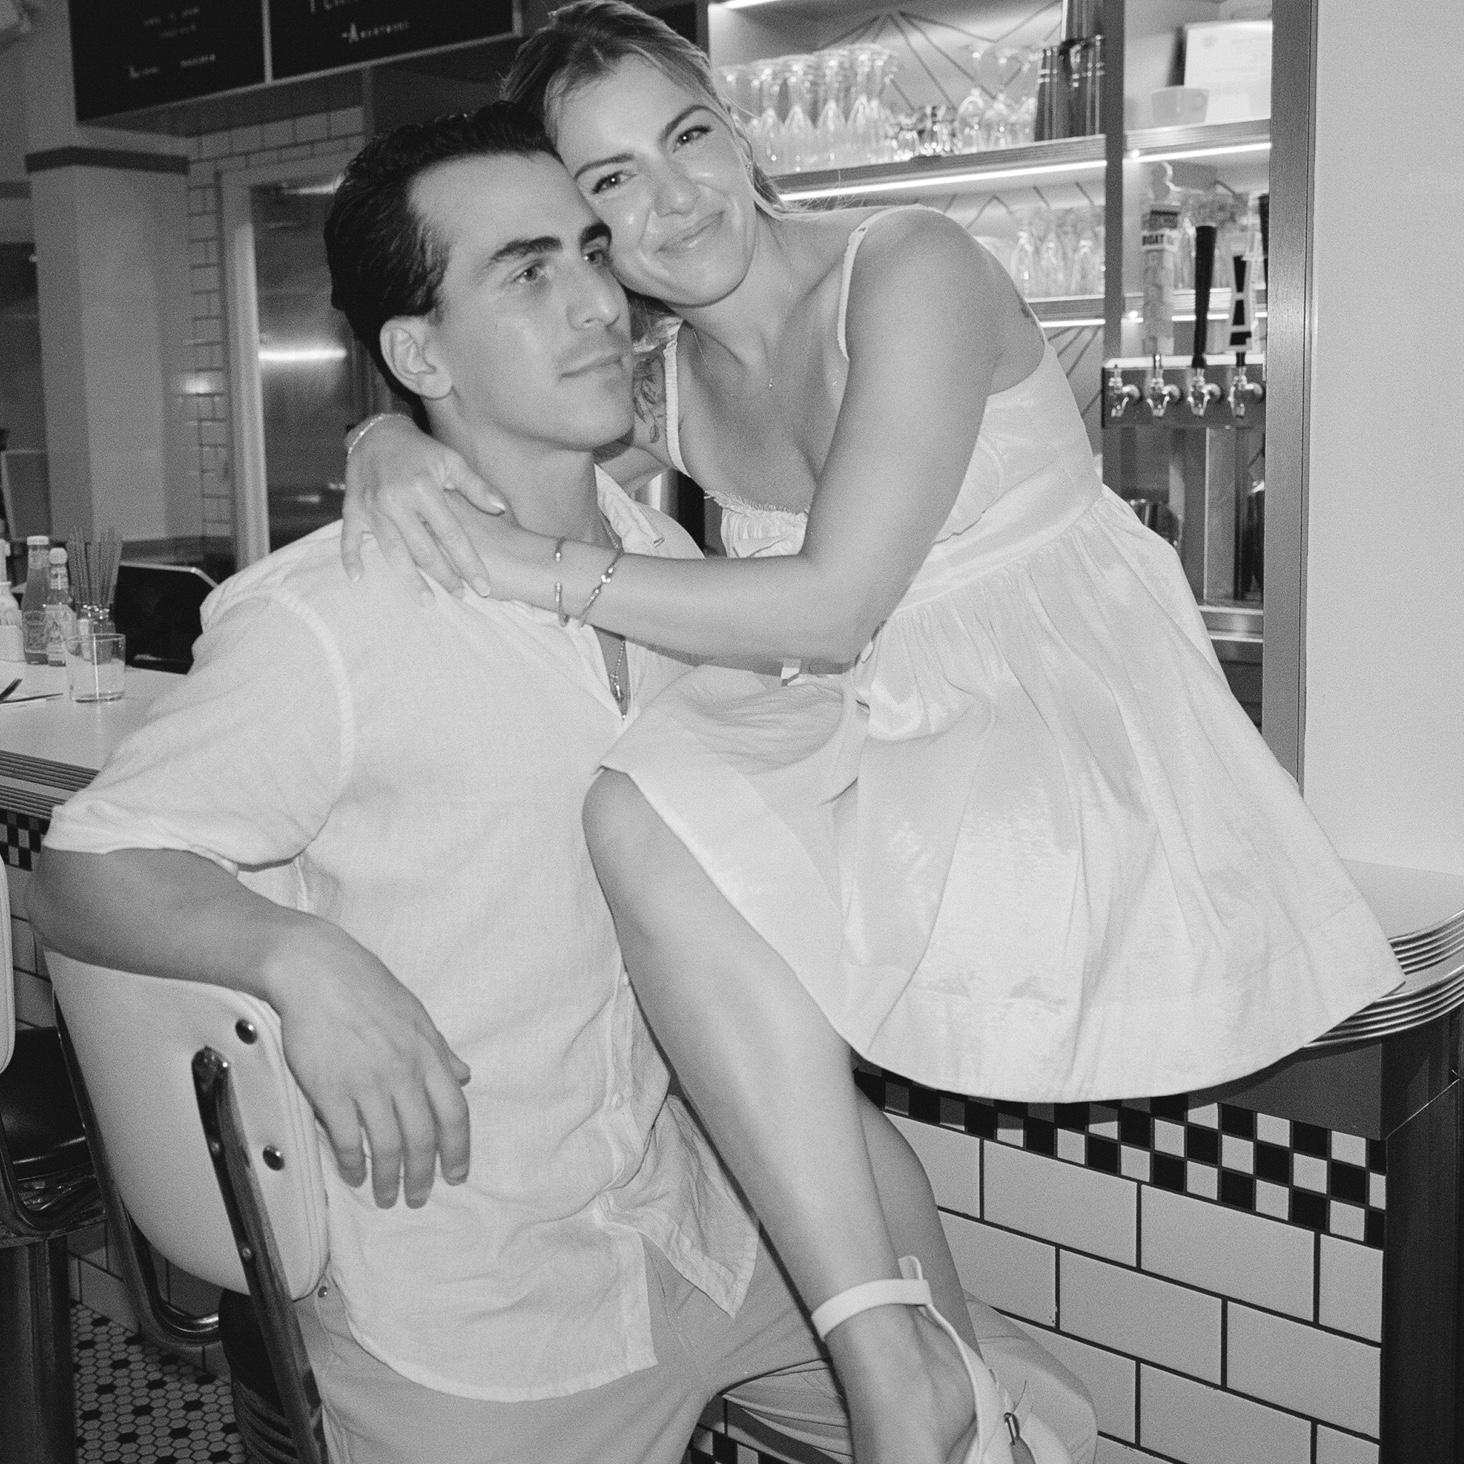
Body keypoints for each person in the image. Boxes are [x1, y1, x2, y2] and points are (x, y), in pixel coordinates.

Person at [344, 7, 1403, 1462]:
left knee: (674, 851)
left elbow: (835, 608)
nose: (674, 200)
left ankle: (928, 1382)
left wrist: (535, 569)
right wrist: (387, 436)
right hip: (889, 744)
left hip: (1056, 750)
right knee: (664, 859)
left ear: (737, 125)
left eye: (688, 136)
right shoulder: (667, 380)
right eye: (610, 184)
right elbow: (501, 404)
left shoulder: (910, 269)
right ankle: (911, 1373)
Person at [28, 105, 1094, 1464]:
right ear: (420, 354)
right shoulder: (326, 622)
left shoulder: (685, 576)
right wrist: (299, 959)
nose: (600, 301)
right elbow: (85, 869)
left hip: (722, 1232)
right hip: (481, 1301)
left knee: (1026, 1428)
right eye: (528, 273)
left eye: (594, 252)